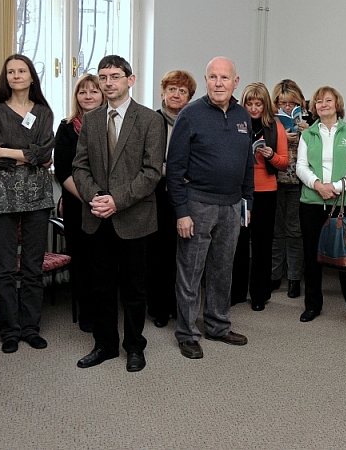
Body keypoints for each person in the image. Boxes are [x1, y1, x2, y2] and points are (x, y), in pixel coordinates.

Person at [72, 55, 165, 372]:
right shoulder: (91, 120)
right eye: (103, 77)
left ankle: (135, 346)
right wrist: (96, 197)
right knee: (100, 287)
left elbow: (151, 173)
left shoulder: (150, 120)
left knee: (134, 290)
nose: (108, 82)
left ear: (130, 79)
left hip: (134, 218)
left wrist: (117, 200)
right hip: (97, 218)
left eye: (114, 76)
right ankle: (105, 345)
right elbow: (79, 167)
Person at [167, 56, 252, 360]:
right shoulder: (190, 115)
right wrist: (181, 212)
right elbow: (174, 169)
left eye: (224, 78)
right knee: (191, 272)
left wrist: (247, 201)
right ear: (206, 80)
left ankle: (218, 325)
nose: (218, 83)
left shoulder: (243, 116)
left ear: (235, 82)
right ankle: (187, 333)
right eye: (213, 77)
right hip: (197, 205)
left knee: (222, 270)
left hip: (232, 206)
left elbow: (247, 164)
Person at [0, 54, 55, 354]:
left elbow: (45, 153)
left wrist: (6, 151)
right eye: (10, 71)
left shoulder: (44, 112)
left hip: (38, 196)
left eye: (21, 70)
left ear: (31, 76)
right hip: (2, 196)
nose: (16, 75)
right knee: (5, 269)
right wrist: (27, 155)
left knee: (33, 267)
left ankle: (30, 328)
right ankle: (10, 331)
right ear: (6, 77)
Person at [296, 86, 346, 335]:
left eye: (328, 100)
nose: (323, 104)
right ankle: (312, 306)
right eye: (319, 101)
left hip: (343, 203)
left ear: (337, 104)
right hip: (312, 202)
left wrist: (337, 187)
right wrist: (318, 186)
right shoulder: (308, 134)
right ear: (314, 107)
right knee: (311, 257)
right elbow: (301, 166)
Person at [54, 73, 104, 333]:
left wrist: (103, 199)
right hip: (78, 205)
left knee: (103, 262)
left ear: (103, 94)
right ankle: (87, 314)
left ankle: (106, 311)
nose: (88, 96)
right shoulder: (66, 127)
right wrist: (89, 198)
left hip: (107, 206)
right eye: (82, 92)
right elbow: (63, 170)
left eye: (94, 91)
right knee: (82, 262)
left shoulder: (111, 124)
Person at [231, 82, 288, 311]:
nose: (254, 108)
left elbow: (284, 162)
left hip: (266, 191)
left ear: (265, 105)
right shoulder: (235, 124)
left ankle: (259, 294)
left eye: (258, 104)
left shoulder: (276, 127)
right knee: (238, 243)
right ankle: (236, 292)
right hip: (240, 191)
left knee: (263, 244)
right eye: (249, 104)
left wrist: (271, 155)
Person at [148, 70, 197, 328]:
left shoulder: (193, 121)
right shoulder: (151, 121)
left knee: (184, 253)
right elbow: (147, 161)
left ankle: (180, 306)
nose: (176, 94)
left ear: (189, 97)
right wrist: (175, 171)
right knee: (160, 253)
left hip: (187, 194)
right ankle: (159, 308)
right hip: (156, 194)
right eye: (172, 89)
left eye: (182, 91)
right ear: (162, 93)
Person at [270, 79, 311, 299]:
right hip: (274, 181)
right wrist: (280, 138)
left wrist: (309, 133)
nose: (287, 107)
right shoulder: (270, 120)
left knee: (294, 231)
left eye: (292, 103)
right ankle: (274, 275)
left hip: (298, 182)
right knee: (276, 231)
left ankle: (294, 278)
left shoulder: (310, 120)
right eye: (283, 103)